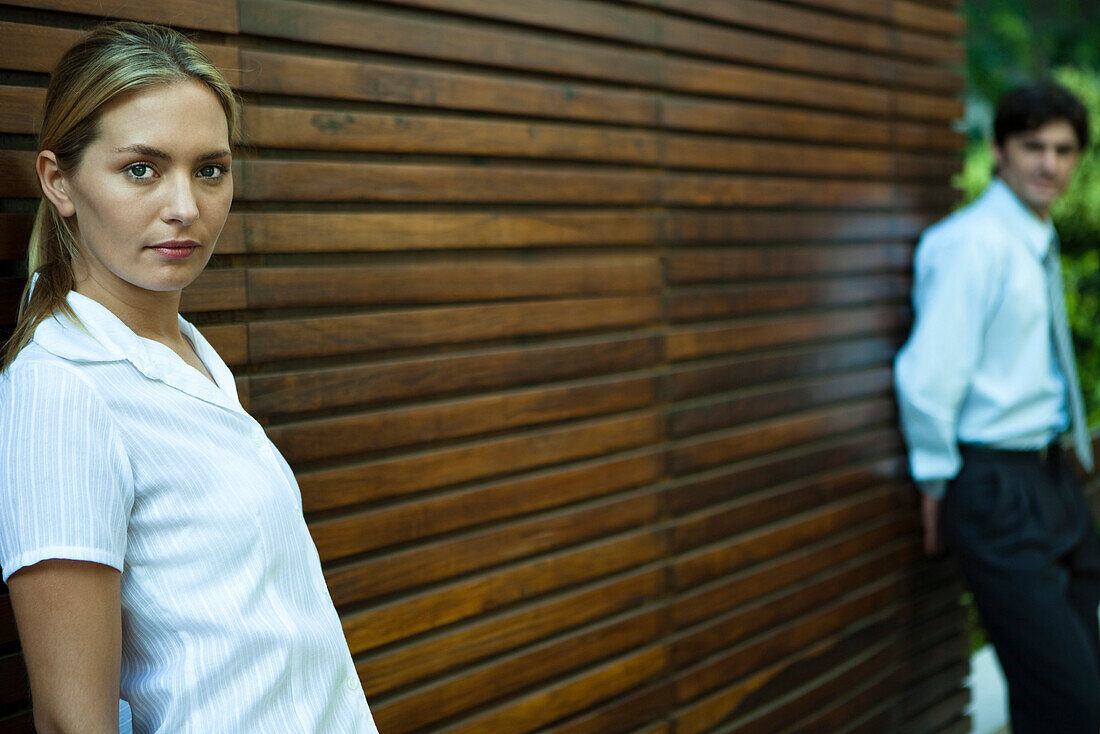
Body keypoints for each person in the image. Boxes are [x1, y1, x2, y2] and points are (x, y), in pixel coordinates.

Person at [0, 22, 378, 733]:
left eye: (209, 169)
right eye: (141, 169)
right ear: (59, 181)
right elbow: (71, 720)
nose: (185, 207)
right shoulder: (63, 389)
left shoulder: (187, 353)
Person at [895, 81, 1100, 734]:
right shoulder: (971, 244)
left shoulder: (1034, 239)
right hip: (994, 485)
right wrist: (934, 478)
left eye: (1064, 151)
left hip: (1051, 477)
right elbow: (928, 375)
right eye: (1032, 146)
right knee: (1072, 703)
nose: (1050, 165)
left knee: (1070, 685)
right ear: (998, 150)